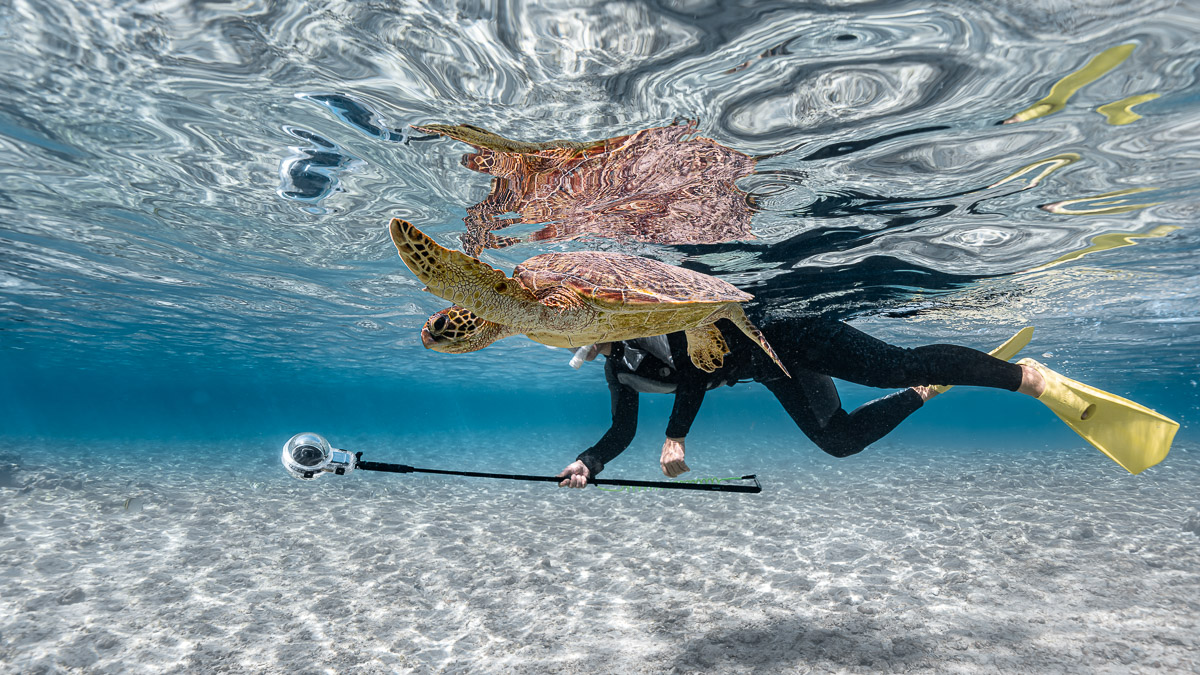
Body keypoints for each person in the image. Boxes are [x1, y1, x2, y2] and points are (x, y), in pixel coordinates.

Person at [555, 316, 1049, 487]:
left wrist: (676, 436)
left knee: (893, 367)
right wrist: (588, 462)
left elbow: (695, 370)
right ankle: (924, 393)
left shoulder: (652, 333)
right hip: (772, 370)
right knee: (840, 441)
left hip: (792, 336)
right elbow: (621, 431)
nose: (589, 341)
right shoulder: (618, 369)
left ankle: (1025, 377)